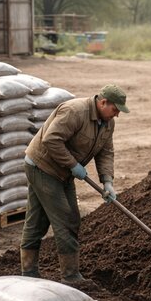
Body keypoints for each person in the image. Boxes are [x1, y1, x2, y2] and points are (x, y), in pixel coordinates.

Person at [20, 83, 130, 290]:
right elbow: (51, 139)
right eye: (115, 110)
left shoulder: (107, 123)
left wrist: (107, 181)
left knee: (38, 220)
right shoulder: (74, 111)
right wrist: (73, 165)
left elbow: (106, 152)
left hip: (63, 173)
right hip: (43, 167)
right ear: (103, 102)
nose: (117, 115)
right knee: (67, 218)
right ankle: (70, 276)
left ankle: (29, 273)